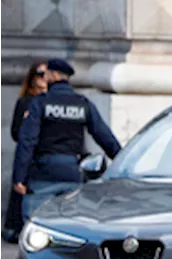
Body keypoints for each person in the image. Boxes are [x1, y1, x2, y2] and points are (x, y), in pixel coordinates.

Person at [12, 59, 121, 220]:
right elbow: (105, 137)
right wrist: (122, 162)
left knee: (36, 224)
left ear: (53, 75)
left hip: (44, 173)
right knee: (70, 226)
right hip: (72, 172)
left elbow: (27, 140)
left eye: (46, 73)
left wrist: (19, 177)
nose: (44, 77)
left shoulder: (40, 103)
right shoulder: (82, 104)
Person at [3, 61, 48, 240]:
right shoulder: (26, 101)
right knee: (21, 188)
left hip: (44, 155)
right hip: (29, 152)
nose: (43, 79)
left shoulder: (50, 101)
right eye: (39, 74)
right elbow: (15, 132)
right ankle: (16, 227)